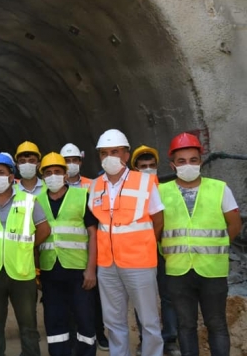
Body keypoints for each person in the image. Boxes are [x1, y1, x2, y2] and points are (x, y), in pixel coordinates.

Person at [160, 133, 242, 356]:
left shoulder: (219, 188)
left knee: (216, 325)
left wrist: (217, 246)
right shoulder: (160, 192)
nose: (188, 165)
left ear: (201, 162)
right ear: (172, 165)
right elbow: (156, 229)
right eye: (181, 161)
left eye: (193, 160)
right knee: (185, 326)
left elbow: (234, 224)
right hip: (178, 270)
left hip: (212, 271)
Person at [87, 129, 164, 356]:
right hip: (108, 264)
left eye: (115, 151)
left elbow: (157, 221)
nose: (109, 157)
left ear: (126, 154)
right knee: (113, 321)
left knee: (148, 320)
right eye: (104, 153)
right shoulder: (94, 185)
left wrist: (144, 245)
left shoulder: (145, 182)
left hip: (139, 263)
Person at [0, 153, 51, 356]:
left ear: (12, 176)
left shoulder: (29, 201)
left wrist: (27, 247)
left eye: (1, 172)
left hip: (22, 272)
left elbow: (44, 229)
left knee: (28, 323)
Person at [36, 153, 97, 356]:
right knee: (54, 320)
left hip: (78, 270)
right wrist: (36, 269)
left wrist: (91, 269)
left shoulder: (81, 196)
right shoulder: (36, 201)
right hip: (50, 270)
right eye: (48, 172)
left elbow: (92, 234)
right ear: (43, 176)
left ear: (65, 174)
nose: (53, 176)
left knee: (84, 318)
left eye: (57, 171)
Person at [129, 144, 180, 356]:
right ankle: (146, 339)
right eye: (143, 166)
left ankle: (170, 339)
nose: (147, 169)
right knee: (142, 298)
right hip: (140, 253)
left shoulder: (167, 190)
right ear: (135, 169)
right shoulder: (131, 193)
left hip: (164, 251)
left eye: (151, 165)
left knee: (168, 297)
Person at [59, 143, 108, 351]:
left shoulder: (92, 184)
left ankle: (99, 332)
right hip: (65, 253)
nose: (71, 165)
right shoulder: (52, 187)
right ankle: (72, 335)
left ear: (81, 161)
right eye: (67, 161)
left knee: (94, 298)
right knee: (70, 300)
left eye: (74, 160)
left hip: (92, 247)